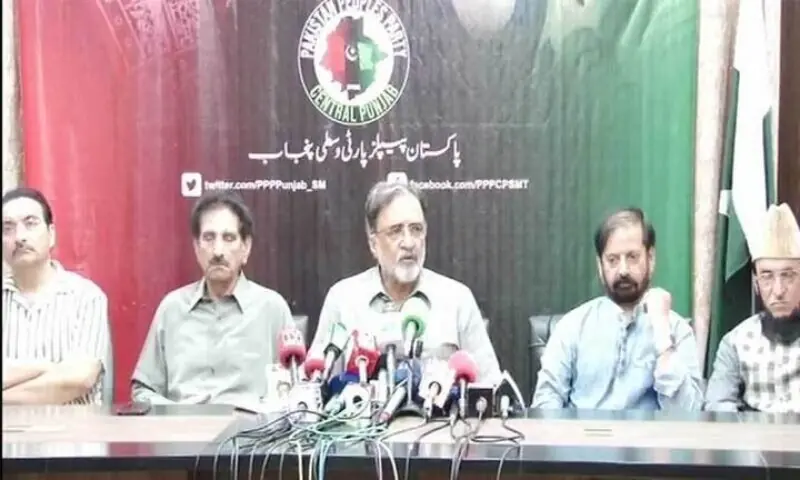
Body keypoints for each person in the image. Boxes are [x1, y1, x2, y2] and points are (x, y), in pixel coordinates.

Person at [308, 181, 502, 384]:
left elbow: (490, 387)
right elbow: (317, 387)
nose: (409, 243)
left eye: (416, 229)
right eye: (396, 231)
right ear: (373, 244)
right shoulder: (343, 300)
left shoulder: (457, 299)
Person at [131, 191, 294, 404]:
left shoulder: (272, 309)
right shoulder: (172, 309)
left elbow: (296, 393)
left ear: (246, 247)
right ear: (196, 247)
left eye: (228, 238)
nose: (218, 251)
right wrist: (176, 413)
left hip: (249, 424)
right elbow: (143, 391)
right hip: (184, 424)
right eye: (209, 238)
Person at [532, 207, 703, 410]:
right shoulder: (573, 326)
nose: (623, 270)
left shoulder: (676, 329)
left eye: (632, 257)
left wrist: (663, 337)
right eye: (612, 260)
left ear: (650, 258)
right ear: (600, 265)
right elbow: (545, 403)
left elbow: (688, 414)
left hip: (648, 431)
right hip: (583, 430)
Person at [2, 187, 110, 405]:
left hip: (72, 426)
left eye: (30, 223)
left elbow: (78, 379)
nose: (20, 237)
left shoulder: (86, 297)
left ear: (51, 235)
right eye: (7, 228)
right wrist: (45, 367)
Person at [705, 203, 800, 412]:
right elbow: (717, 405)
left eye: (788, 276)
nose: (778, 290)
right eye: (767, 277)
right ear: (756, 284)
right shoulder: (736, 342)